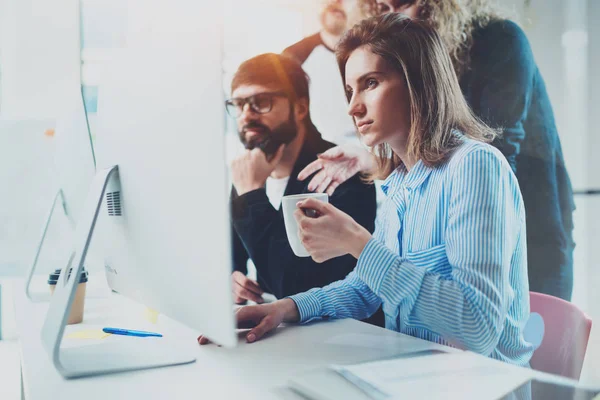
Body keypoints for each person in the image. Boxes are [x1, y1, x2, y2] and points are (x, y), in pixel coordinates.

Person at [201, 15, 534, 367]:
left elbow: (477, 328)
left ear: (418, 82)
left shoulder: (475, 166)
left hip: (480, 386)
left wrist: (358, 243)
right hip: (413, 376)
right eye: (349, 90)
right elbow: (367, 287)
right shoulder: (400, 180)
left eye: (370, 83)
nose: (352, 107)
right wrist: (287, 308)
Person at [303, 0, 576, 300]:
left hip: (531, 228)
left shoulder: (499, 40)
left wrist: (359, 243)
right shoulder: (407, 181)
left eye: (405, 4)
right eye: (382, 7)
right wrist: (374, 159)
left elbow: (495, 153)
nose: (394, 17)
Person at [225, 53, 378, 319]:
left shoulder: (339, 172)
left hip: (338, 335)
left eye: (261, 102)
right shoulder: (250, 170)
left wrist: (251, 195)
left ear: (300, 108)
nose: (246, 115)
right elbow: (231, 254)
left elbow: (295, 285)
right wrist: (231, 278)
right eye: (239, 105)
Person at [283, 1, 358, 145]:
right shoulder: (292, 58)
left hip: (377, 158)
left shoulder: (379, 51)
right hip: (319, 157)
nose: (334, 1)